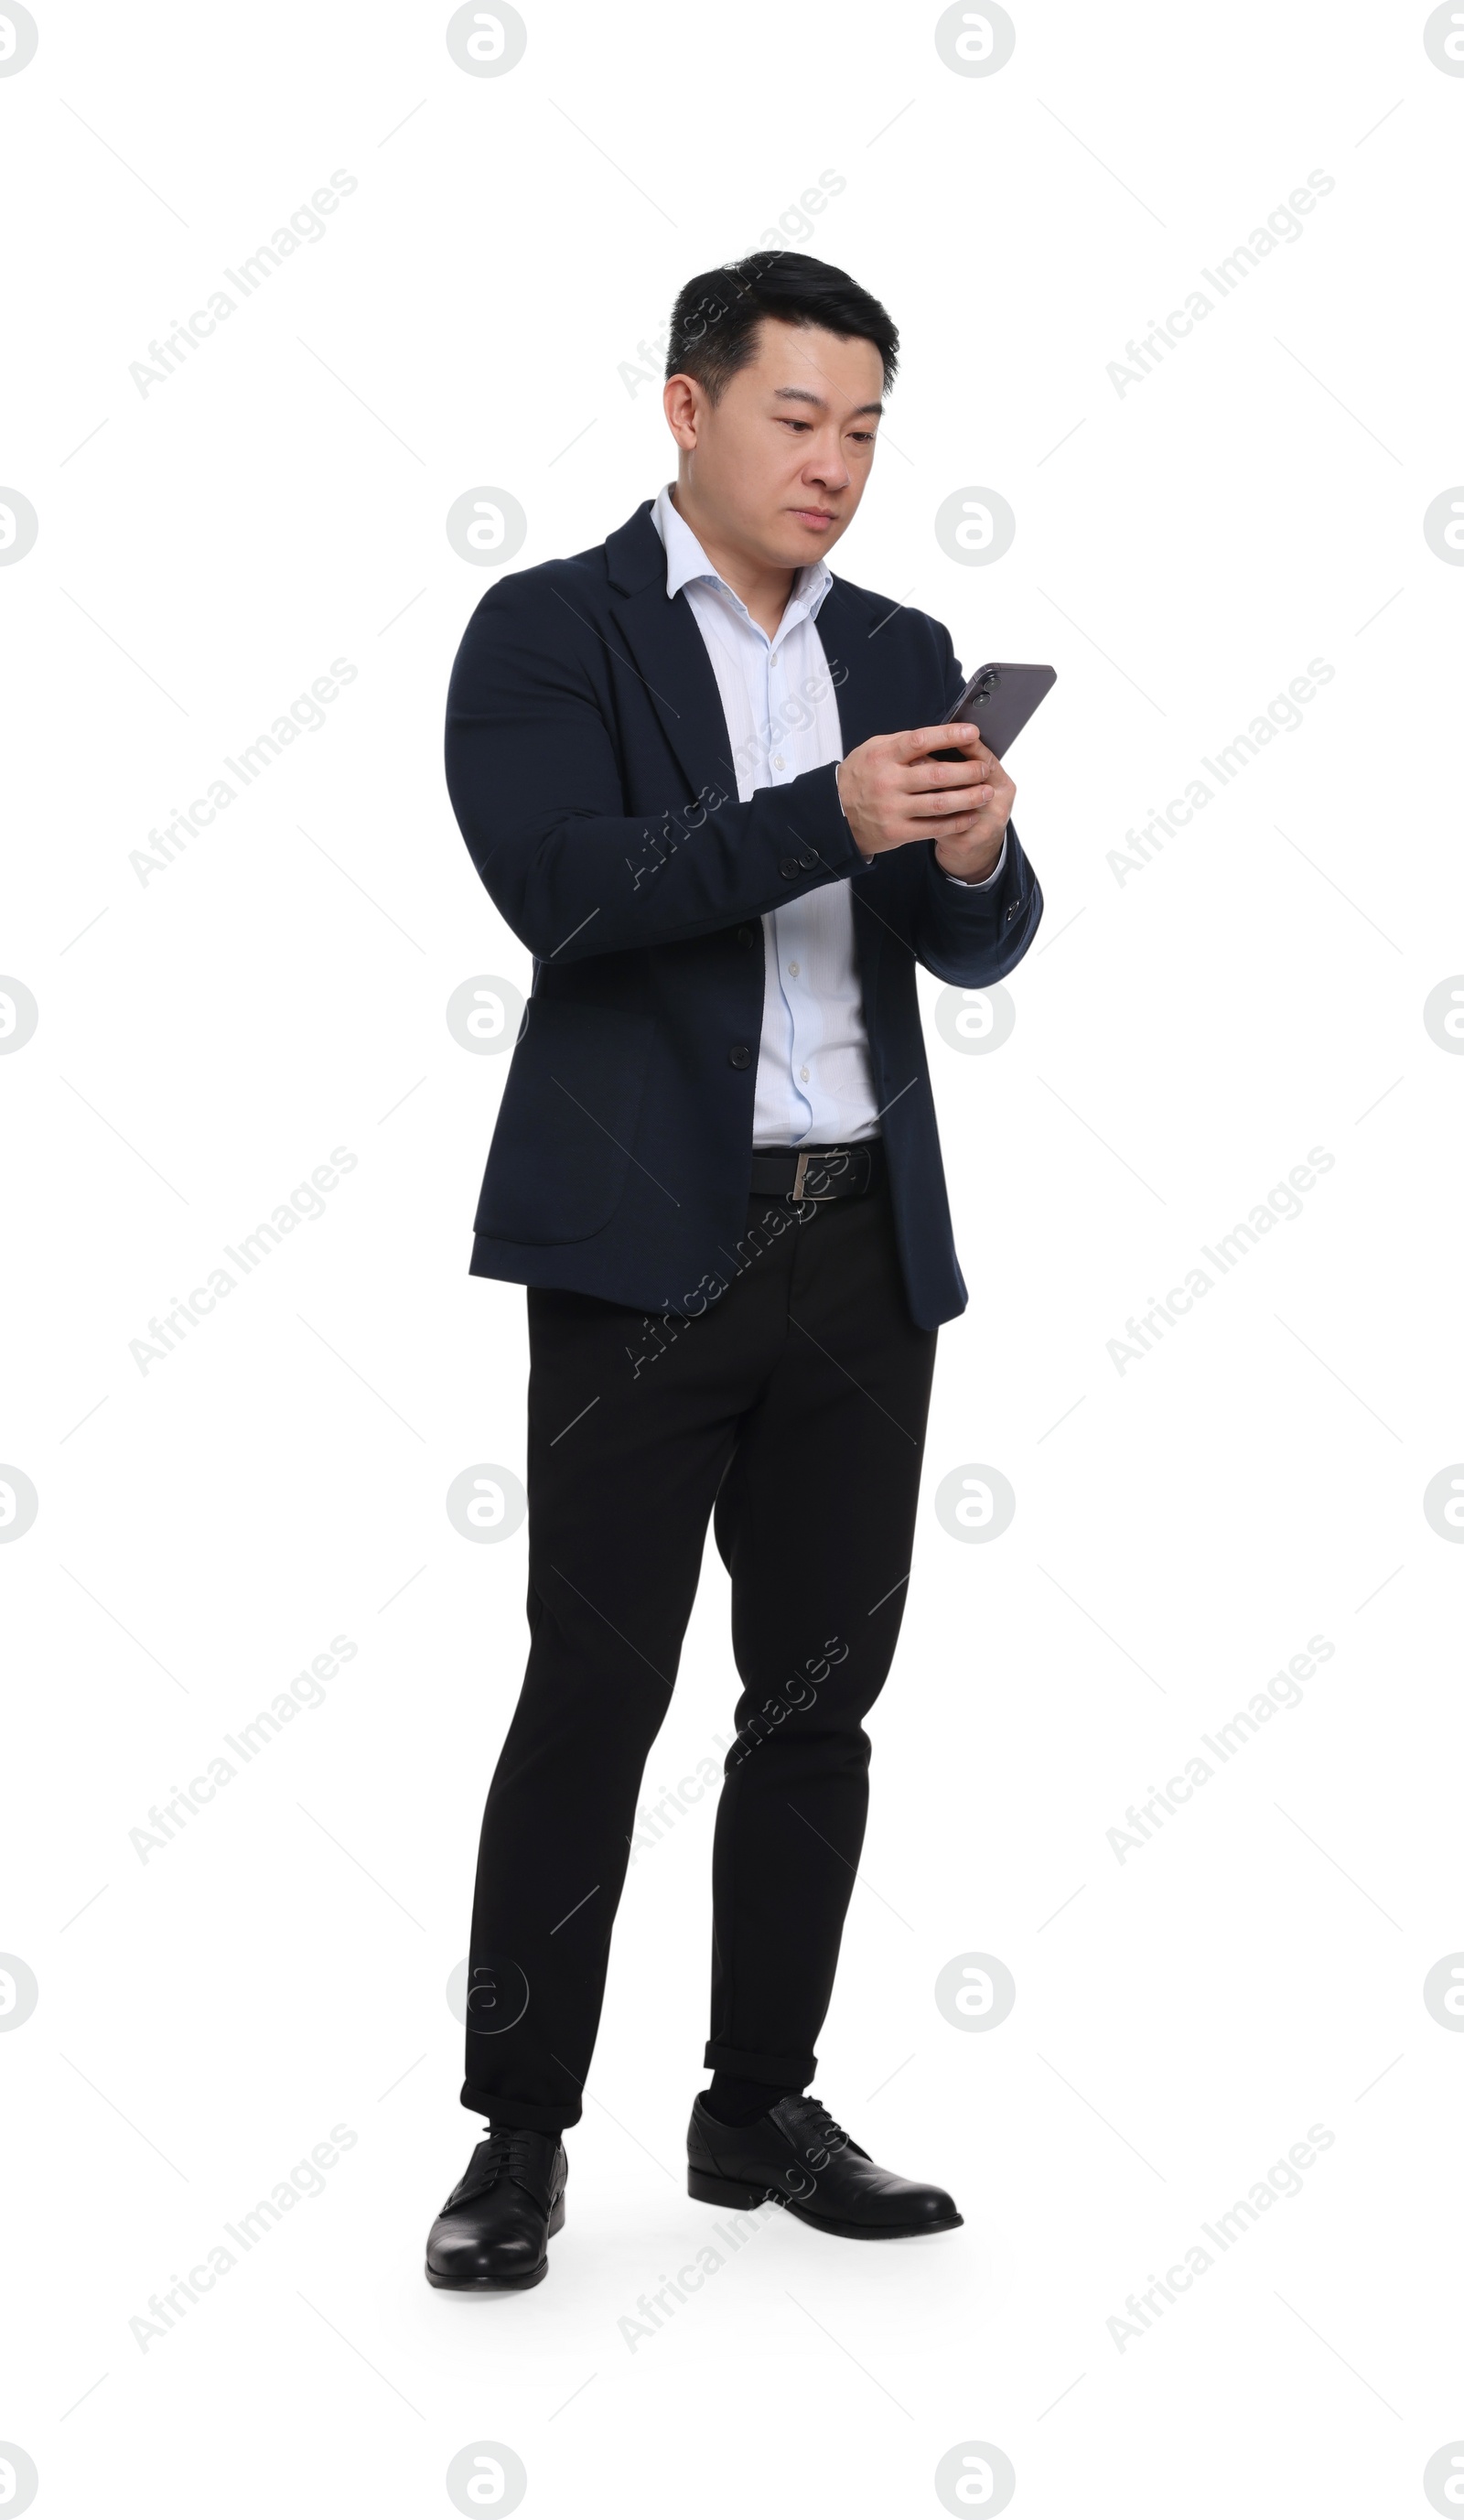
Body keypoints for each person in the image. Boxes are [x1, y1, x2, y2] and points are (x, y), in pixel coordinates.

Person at [425, 251, 1042, 2290]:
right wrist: (822, 814)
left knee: (815, 1701)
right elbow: (567, 892)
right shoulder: (545, 628)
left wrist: (961, 853)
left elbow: (967, 944)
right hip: (638, 1251)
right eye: (796, 419)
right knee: (592, 1690)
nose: (835, 465)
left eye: (865, 428)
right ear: (684, 409)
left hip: (858, 1241)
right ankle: (517, 2139)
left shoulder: (899, 642)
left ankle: (755, 2105)